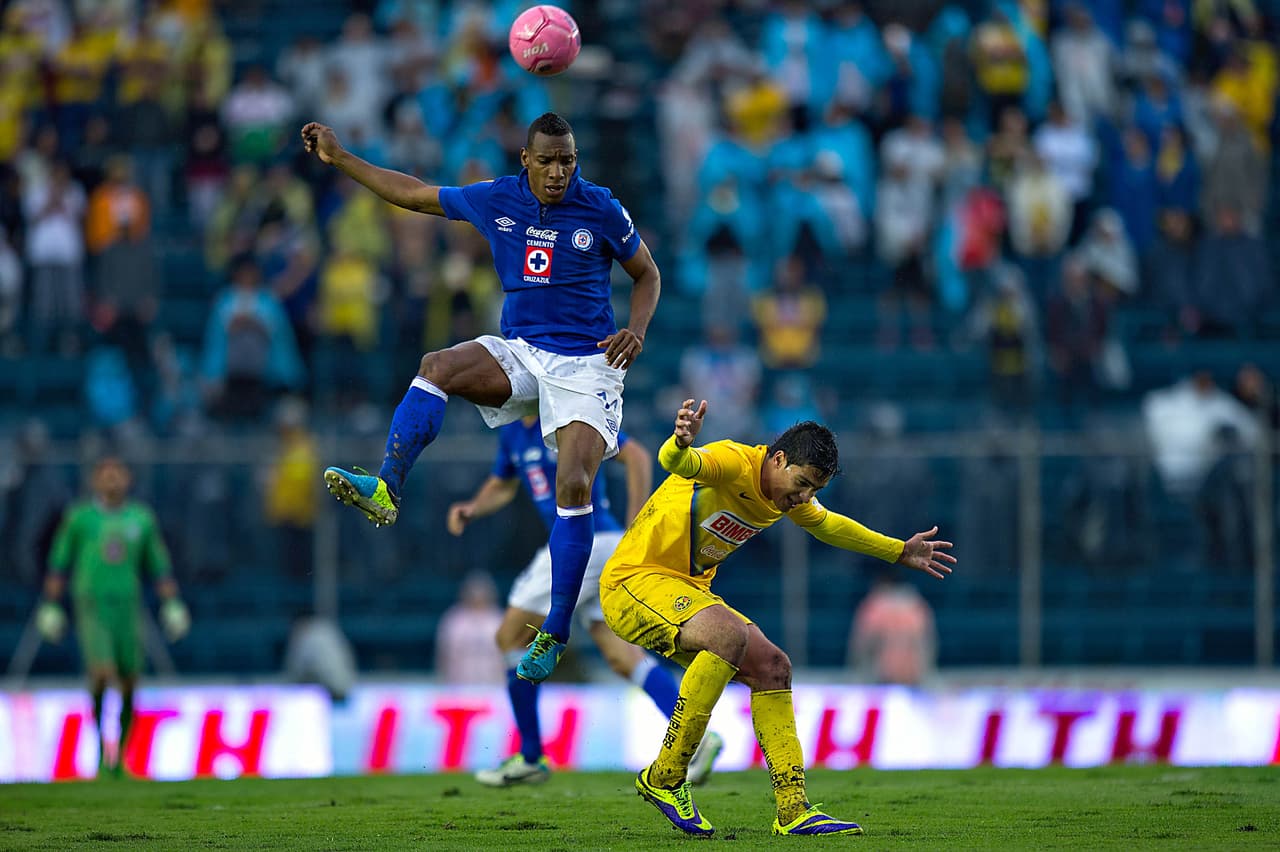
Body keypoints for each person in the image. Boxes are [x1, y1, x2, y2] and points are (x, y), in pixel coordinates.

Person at [302, 112, 661, 684]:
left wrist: (636, 331)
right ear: (526, 159)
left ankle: (556, 629)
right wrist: (342, 158)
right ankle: (387, 487)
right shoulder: (497, 199)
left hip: (587, 364)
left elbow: (648, 275)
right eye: (546, 160)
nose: (557, 171)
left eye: (567, 160)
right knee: (436, 367)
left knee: (573, 483)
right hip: (523, 351)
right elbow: (416, 195)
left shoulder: (600, 207)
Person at [601, 399, 955, 837]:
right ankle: (666, 778)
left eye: (814, 490)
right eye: (803, 483)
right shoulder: (733, 462)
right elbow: (680, 461)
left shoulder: (787, 498)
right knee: (727, 636)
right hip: (632, 582)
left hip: (686, 592)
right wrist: (680, 442)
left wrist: (898, 550)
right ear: (779, 459)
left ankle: (793, 809)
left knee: (773, 667)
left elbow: (831, 526)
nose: (805, 497)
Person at [448, 417, 722, 787]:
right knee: (622, 658)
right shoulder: (513, 429)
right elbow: (503, 484)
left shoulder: (567, 415)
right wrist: (473, 508)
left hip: (588, 541)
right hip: (589, 552)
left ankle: (530, 756)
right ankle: (699, 739)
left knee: (509, 637)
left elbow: (638, 455)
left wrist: (637, 524)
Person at [36, 456, 191, 777]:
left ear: (128, 479)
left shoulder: (141, 519)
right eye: (105, 474)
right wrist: (50, 605)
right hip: (91, 603)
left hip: (128, 606)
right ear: (95, 480)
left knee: (130, 679)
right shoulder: (79, 518)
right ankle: (99, 749)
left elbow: (158, 566)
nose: (112, 479)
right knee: (103, 673)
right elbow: (59, 563)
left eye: (118, 473)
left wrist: (172, 603)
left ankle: (118, 757)